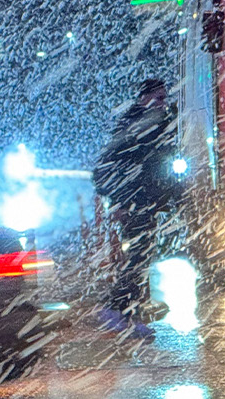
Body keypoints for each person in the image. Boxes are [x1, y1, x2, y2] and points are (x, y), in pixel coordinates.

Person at [93, 79, 178, 334]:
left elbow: (161, 164)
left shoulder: (156, 124)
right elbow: (107, 168)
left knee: (142, 258)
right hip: (135, 203)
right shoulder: (134, 127)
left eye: (165, 98)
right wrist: (120, 202)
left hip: (146, 201)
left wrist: (171, 195)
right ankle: (120, 310)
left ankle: (129, 313)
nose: (164, 103)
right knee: (139, 259)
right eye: (159, 98)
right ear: (145, 99)